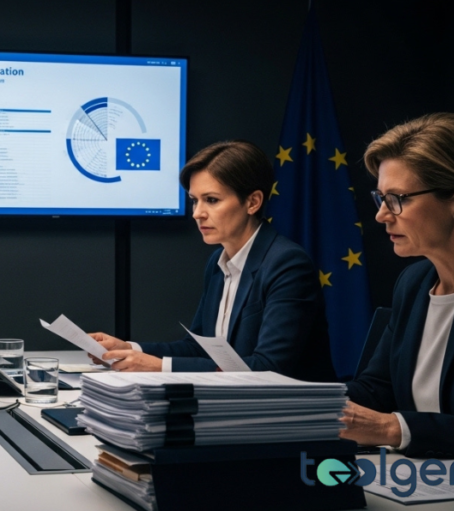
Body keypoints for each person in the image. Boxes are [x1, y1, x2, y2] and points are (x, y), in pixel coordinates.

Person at [341, 113, 454, 465]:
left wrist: (393, 430)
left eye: (397, 198)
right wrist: (289, 402)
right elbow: (374, 391)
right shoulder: (413, 283)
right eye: (380, 198)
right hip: (420, 479)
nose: (382, 215)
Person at [90, 140, 336, 381]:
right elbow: (199, 348)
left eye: (211, 200)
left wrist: (161, 367)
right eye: (194, 200)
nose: (197, 213)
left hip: (291, 413)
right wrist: (129, 349)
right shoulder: (217, 262)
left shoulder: (287, 264)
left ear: (253, 202)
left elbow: (269, 367)